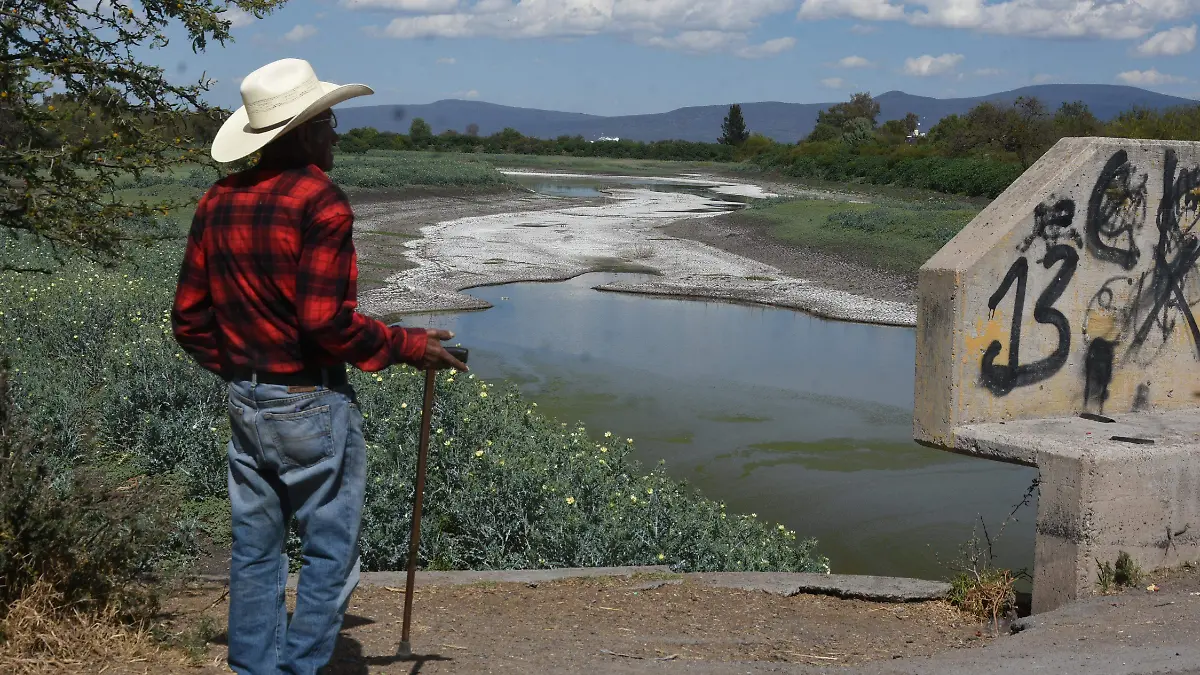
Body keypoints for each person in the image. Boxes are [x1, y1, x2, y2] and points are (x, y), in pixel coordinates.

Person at [171, 58, 467, 675]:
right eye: (328, 122)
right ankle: (299, 668)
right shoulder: (319, 200)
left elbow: (190, 321)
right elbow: (325, 322)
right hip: (310, 402)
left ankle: (255, 668)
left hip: (247, 400)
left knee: (256, 551)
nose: (335, 134)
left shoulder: (217, 200)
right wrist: (408, 344)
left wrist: (248, 372)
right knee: (331, 553)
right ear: (304, 132)